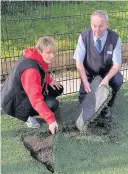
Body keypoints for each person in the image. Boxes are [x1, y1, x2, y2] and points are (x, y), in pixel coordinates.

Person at [1, 36, 63, 134]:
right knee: (52, 104)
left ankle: (39, 108)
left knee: (58, 88)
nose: (52, 56)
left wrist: (50, 80)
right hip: (14, 103)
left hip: (23, 93)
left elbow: (43, 71)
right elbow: (35, 99)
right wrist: (51, 120)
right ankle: (26, 116)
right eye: (48, 52)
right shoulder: (31, 71)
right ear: (39, 51)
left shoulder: (37, 58)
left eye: (53, 52)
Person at [73, 10, 123, 119]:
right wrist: (85, 81)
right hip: (89, 75)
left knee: (118, 79)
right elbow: (79, 62)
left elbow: (117, 65)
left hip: (106, 74)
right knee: (85, 105)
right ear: (91, 24)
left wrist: (106, 79)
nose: (97, 30)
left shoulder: (115, 38)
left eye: (100, 26)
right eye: (94, 26)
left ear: (107, 24)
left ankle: (107, 106)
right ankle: (91, 98)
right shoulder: (83, 37)